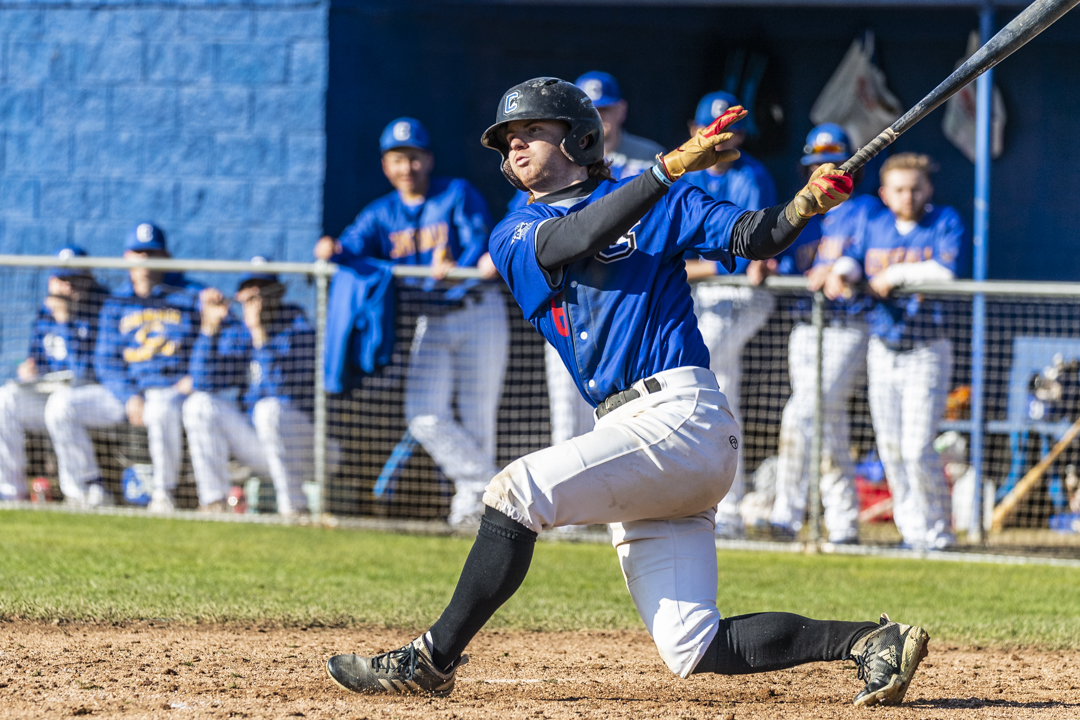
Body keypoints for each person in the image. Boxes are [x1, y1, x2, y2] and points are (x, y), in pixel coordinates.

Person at [324, 77, 929, 708]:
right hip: (635, 435)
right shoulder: (515, 230)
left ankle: (429, 660)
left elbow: (756, 235)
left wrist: (804, 205)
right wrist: (665, 170)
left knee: (516, 492)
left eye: (532, 130)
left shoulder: (660, 201)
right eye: (507, 140)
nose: (515, 147)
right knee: (693, 646)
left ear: (580, 138)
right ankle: (871, 641)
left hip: (681, 412)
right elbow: (575, 239)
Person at [315, 117, 508, 527]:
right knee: (422, 412)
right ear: (387, 165)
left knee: (478, 416)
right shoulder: (381, 212)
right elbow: (349, 247)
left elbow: (479, 239)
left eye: (415, 158)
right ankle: (489, 485)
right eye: (398, 159)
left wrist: (457, 262)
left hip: (477, 309)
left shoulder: (456, 193)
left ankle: (473, 511)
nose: (408, 168)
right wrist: (330, 248)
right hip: (431, 320)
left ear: (429, 159)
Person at [820, 152, 966, 551]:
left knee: (918, 447)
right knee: (891, 448)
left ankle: (938, 533)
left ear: (928, 189)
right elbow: (853, 259)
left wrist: (894, 275)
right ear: (884, 193)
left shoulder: (944, 221)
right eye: (900, 189)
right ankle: (911, 531)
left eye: (916, 188)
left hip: (926, 347)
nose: (909, 196)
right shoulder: (876, 222)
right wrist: (841, 272)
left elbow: (944, 272)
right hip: (883, 345)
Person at [519, 71, 666, 451]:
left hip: (631, 294)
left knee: (635, 417)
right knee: (567, 420)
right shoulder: (554, 160)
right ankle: (571, 510)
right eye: (591, 109)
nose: (600, 117)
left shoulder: (649, 155)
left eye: (606, 108)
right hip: (572, 301)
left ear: (622, 109)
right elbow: (528, 222)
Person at [769, 124, 883, 544]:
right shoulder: (802, 210)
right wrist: (766, 266)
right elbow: (781, 258)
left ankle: (786, 513)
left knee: (802, 413)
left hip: (848, 324)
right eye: (816, 165)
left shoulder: (867, 210)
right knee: (826, 421)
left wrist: (840, 269)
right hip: (806, 326)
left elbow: (863, 258)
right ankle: (843, 521)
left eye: (831, 164)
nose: (823, 172)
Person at [46, 222, 202, 513]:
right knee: (61, 405)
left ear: (166, 257)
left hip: (170, 391)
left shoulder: (190, 296)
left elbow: (208, 342)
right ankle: (88, 488)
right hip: (126, 394)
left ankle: (162, 493)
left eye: (151, 253)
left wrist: (193, 378)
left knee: (161, 406)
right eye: (138, 252)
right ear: (126, 256)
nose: (144, 259)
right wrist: (128, 395)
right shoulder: (116, 302)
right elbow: (105, 360)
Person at [682, 91, 778, 538]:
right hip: (701, 294)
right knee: (722, 392)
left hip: (739, 292)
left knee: (705, 379)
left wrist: (689, 268)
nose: (724, 138)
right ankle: (726, 504)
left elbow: (743, 256)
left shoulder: (750, 175)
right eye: (716, 129)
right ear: (695, 130)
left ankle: (726, 503)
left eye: (732, 130)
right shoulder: (683, 175)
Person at [182, 258, 315, 514]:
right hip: (259, 446)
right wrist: (209, 329)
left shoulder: (297, 326)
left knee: (269, 410)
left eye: (262, 290)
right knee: (197, 404)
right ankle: (214, 503)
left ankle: (295, 508)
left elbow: (279, 390)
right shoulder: (238, 332)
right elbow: (203, 380)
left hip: (305, 447)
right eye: (250, 291)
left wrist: (259, 334)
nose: (256, 300)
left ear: (277, 293)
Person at [0, 247, 107, 503]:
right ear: (52, 282)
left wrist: (65, 319)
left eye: (74, 280)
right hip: (49, 393)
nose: (67, 288)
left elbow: (85, 370)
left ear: (88, 280)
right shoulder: (44, 313)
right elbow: (37, 356)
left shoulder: (102, 309)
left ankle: (81, 491)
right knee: (5, 399)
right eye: (62, 280)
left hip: (92, 397)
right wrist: (29, 370)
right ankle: (10, 491)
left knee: (61, 405)